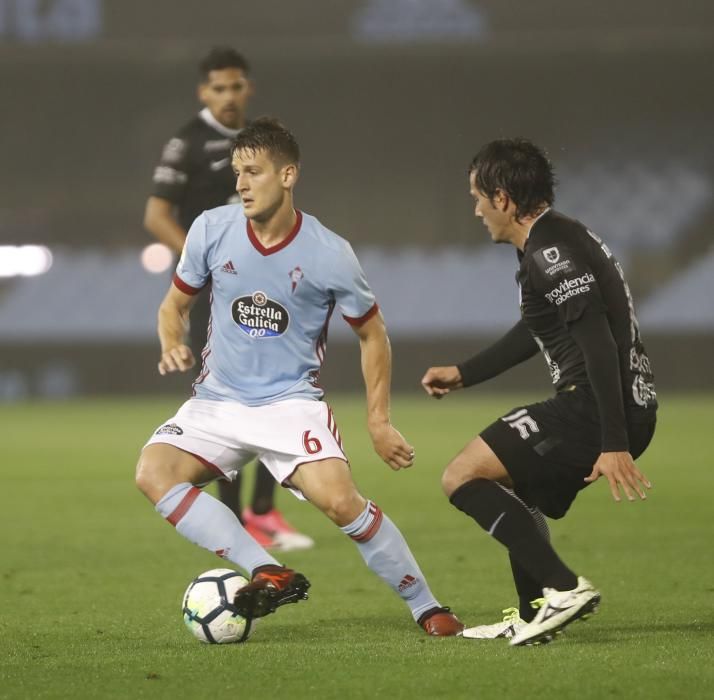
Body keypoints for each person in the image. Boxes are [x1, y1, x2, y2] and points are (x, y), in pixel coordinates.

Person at [135, 118, 463, 636]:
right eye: (238, 172)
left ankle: (427, 605)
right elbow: (173, 306)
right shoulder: (209, 228)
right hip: (217, 402)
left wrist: (379, 421)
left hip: (290, 404)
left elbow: (374, 335)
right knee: (153, 473)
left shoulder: (329, 253)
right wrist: (171, 340)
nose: (242, 184)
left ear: (288, 175)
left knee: (340, 502)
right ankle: (267, 566)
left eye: (254, 172)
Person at [421, 138, 657, 646]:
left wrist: (612, 442)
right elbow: (536, 329)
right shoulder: (558, 240)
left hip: (593, 404)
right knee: (514, 485)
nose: (477, 209)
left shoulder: (550, 254)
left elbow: (598, 343)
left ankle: (564, 588)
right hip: (611, 402)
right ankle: (534, 615)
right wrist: (463, 374)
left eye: (478, 197)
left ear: (502, 198)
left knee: (461, 476)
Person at [143, 47, 312, 551]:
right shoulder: (187, 143)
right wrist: (201, 259)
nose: (229, 96)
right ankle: (242, 516)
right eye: (219, 88)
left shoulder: (258, 139)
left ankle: (261, 512)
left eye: (236, 86)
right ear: (204, 92)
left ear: (249, 87)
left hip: (265, 281)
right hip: (219, 287)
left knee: (283, 383)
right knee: (231, 395)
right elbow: (156, 215)